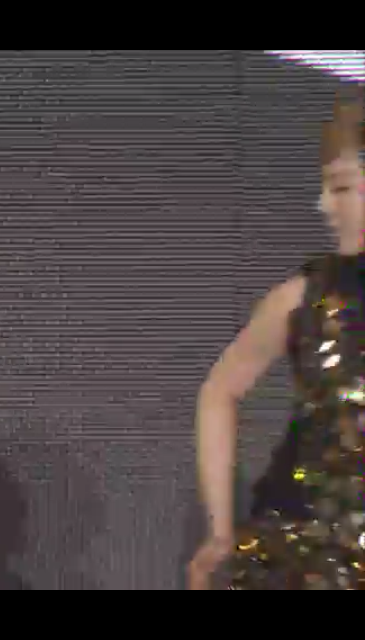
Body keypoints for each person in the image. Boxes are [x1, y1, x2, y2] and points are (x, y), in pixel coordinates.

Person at [190, 89, 365, 590]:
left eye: (341, 187)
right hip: (292, 560)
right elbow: (219, 391)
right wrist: (220, 532)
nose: (324, 205)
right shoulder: (305, 298)